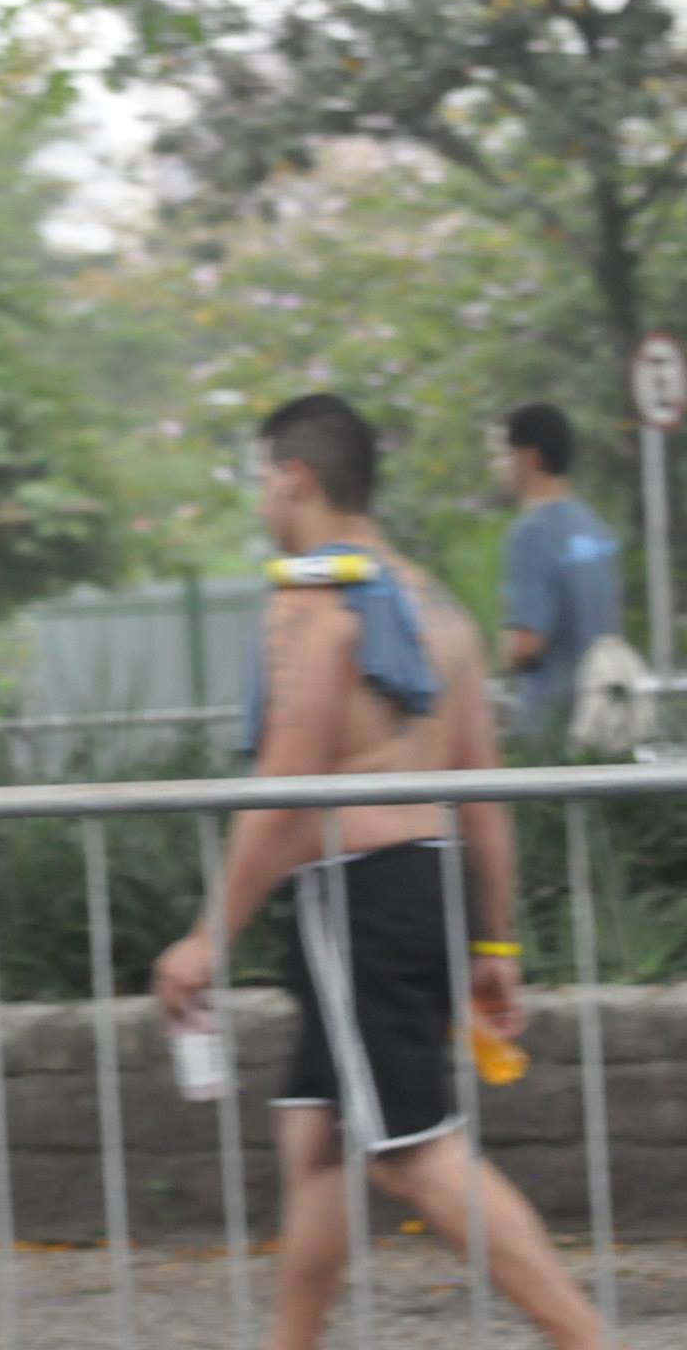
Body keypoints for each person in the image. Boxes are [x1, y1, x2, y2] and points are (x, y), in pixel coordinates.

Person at [151, 397, 606, 1350]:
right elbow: (482, 793)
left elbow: (285, 792)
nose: (262, 499)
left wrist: (207, 938)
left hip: (355, 896)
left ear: (296, 478)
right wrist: (493, 944)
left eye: (263, 478)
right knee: (318, 1140)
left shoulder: (312, 605)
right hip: (425, 883)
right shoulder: (437, 605)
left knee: (414, 1154)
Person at [494, 402, 623, 739]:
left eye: (503, 455)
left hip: (553, 728)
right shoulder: (595, 528)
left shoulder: (531, 534)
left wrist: (504, 659)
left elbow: (526, 643)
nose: (499, 467)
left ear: (528, 458)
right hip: (605, 719)